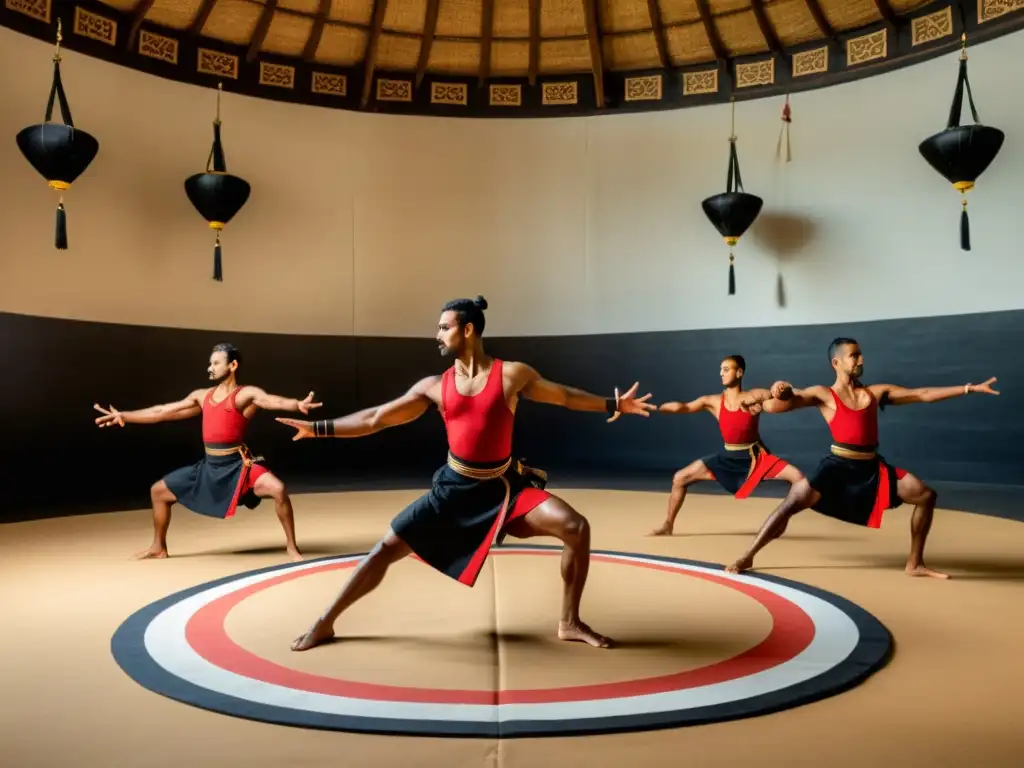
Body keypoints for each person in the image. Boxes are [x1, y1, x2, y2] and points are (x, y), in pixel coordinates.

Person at [277, 295, 656, 652]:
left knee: (576, 527)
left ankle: (569, 622)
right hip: (455, 490)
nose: (437, 335)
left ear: (469, 329)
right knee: (385, 550)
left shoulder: (511, 375)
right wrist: (318, 428)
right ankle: (326, 621)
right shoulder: (434, 387)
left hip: (506, 487)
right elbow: (375, 418)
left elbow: (565, 396)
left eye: (444, 328)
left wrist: (613, 403)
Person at [724, 337, 999, 579]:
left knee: (925, 495)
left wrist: (968, 388)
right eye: (854, 355)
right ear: (836, 363)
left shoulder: (875, 393)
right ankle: (748, 554)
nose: (860, 359)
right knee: (791, 503)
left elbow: (922, 394)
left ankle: (914, 564)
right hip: (837, 467)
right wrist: (779, 391)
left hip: (871, 468)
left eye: (860, 354)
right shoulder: (824, 394)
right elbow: (780, 404)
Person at [93, 342, 321, 562]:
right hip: (210, 468)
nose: (209, 368)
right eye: (209, 363)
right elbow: (162, 411)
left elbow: (270, 400)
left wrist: (296, 404)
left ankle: (292, 546)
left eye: (215, 363)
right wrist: (124, 415)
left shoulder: (243, 394)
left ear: (232, 366)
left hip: (238, 467)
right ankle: (158, 547)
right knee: (158, 492)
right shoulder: (202, 396)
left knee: (278, 489)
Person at [650, 354, 804, 536]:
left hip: (756, 458)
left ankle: (780, 522)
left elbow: (785, 396)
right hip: (727, 460)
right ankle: (668, 525)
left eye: (726, 369)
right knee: (679, 478)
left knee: (798, 478)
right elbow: (683, 407)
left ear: (739, 373)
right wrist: (655, 407)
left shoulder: (755, 395)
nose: (721, 373)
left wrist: (782, 389)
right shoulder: (714, 401)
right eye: (720, 369)